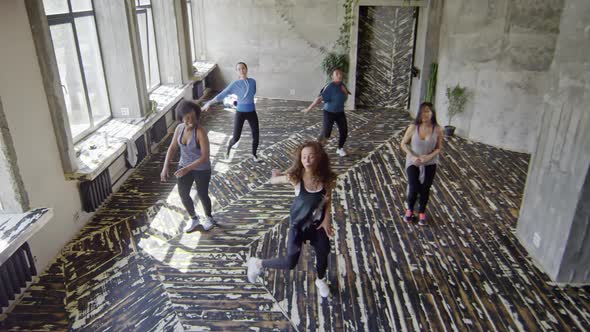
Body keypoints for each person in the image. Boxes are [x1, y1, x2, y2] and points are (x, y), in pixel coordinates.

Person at [246, 141, 337, 298]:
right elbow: (274, 181)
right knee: (290, 262)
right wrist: (275, 175)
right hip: (298, 226)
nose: (307, 161)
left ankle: (320, 280)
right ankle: (257, 263)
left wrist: (327, 219)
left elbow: (328, 199)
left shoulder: (326, 179)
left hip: (317, 225)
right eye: (303, 157)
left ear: (319, 158)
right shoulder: (295, 178)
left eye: (311, 157)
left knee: (324, 250)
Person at [160, 100, 214, 232]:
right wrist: (165, 166)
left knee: (202, 194)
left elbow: (205, 156)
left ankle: (209, 217)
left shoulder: (200, 131)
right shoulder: (179, 129)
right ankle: (194, 219)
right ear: (181, 117)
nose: (190, 120)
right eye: (187, 118)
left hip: (201, 168)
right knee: (183, 194)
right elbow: (172, 148)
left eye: (193, 117)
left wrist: (187, 168)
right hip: (184, 166)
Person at [202, 62, 260, 162]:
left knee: (256, 135)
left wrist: (242, 101)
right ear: (237, 71)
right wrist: (209, 103)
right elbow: (222, 94)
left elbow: (251, 93)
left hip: (251, 112)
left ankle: (254, 155)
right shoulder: (235, 84)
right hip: (240, 113)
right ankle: (228, 149)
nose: (242, 70)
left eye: (243, 68)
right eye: (239, 69)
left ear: (246, 69)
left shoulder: (253, 82)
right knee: (236, 138)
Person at [400, 102, 443, 226]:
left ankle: (422, 212)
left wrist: (428, 157)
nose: (425, 114)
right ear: (419, 113)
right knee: (414, 186)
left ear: (433, 113)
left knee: (425, 188)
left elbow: (439, 148)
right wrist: (413, 156)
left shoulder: (438, 129)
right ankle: (409, 210)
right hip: (413, 161)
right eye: (423, 111)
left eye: (428, 111)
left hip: (430, 161)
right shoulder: (413, 127)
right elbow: (403, 144)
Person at [302, 68, 351, 157]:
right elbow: (319, 99)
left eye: (340, 73)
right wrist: (309, 108)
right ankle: (317, 147)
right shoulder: (330, 86)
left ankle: (340, 148)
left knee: (344, 131)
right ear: (332, 76)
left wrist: (346, 92)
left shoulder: (342, 85)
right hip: (329, 113)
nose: (339, 75)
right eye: (336, 74)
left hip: (340, 112)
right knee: (326, 133)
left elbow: (344, 95)